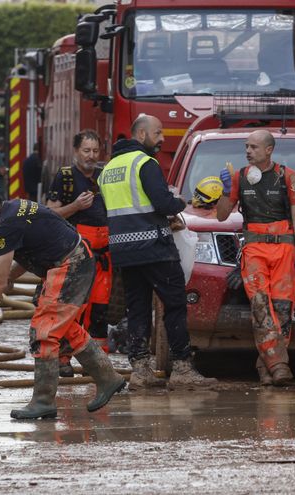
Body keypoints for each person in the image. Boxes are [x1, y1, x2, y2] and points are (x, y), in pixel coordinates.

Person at [0, 177, 125, 419]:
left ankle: (43, 400)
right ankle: (108, 378)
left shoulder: (5, 226)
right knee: (63, 329)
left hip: (70, 264)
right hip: (72, 259)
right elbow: (31, 246)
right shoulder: (11, 211)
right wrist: (12, 277)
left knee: (44, 331)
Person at [97, 114, 216, 390]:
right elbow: (162, 203)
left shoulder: (109, 169)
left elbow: (112, 211)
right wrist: (179, 202)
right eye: (158, 132)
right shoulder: (144, 163)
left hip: (124, 252)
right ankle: (182, 368)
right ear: (141, 134)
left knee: (137, 308)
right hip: (154, 248)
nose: (162, 139)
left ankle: (140, 371)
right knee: (174, 305)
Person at [216, 129, 295, 386]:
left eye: (254, 147)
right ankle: (279, 364)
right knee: (260, 305)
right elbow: (221, 216)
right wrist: (225, 192)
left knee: (282, 308)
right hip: (255, 249)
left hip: (285, 249)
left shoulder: (287, 176)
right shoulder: (239, 178)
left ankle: (265, 365)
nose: (248, 151)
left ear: (269, 150)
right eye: (246, 146)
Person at [46, 130, 111, 378]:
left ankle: (97, 361)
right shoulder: (65, 178)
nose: (91, 156)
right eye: (86, 150)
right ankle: (63, 359)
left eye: (95, 151)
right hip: (76, 253)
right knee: (73, 306)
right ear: (75, 151)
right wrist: (75, 206)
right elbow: (50, 215)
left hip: (104, 255)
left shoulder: (104, 176)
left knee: (100, 309)